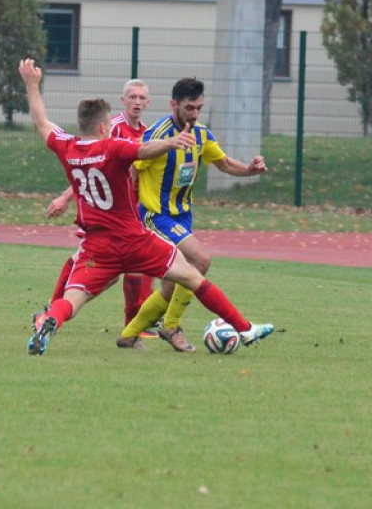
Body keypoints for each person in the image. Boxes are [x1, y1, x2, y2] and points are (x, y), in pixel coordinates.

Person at [17, 58, 273, 356]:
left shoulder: (67, 148)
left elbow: (41, 123)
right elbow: (144, 148)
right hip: (134, 237)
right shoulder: (112, 147)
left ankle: (51, 320)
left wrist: (32, 85)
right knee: (193, 275)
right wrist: (172, 142)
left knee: (73, 299)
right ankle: (244, 328)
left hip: (97, 244)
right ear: (104, 126)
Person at [116, 77, 270, 352]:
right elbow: (131, 169)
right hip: (155, 216)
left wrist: (249, 169)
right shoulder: (157, 134)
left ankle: (129, 334)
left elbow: (222, 162)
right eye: (189, 108)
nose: (195, 114)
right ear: (173, 104)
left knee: (171, 285)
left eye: (199, 108)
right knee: (200, 259)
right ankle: (171, 326)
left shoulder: (201, 134)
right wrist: (122, 212)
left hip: (182, 217)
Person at [44, 79, 155, 334]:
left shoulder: (146, 133)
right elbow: (89, 165)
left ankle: (135, 324)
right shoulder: (112, 129)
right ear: (123, 100)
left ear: (148, 102)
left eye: (141, 98)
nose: (137, 102)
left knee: (137, 266)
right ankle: (52, 311)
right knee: (88, 262)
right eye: (132, 97)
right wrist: (65, 197)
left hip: (131, 212)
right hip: (103, 212)